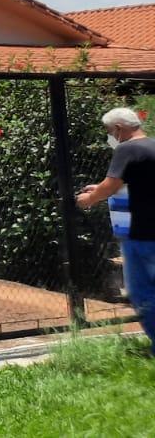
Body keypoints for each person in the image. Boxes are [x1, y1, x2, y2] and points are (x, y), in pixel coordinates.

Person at [77, 107, 155, 348]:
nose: (110, 136)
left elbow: (111, 185)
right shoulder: (152, 146)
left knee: (141, 292)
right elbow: (141, 184)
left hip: (142, 233)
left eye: (110, 131)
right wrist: (100, 188)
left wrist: (88, 199)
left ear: (119, 129)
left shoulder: (126, 148)